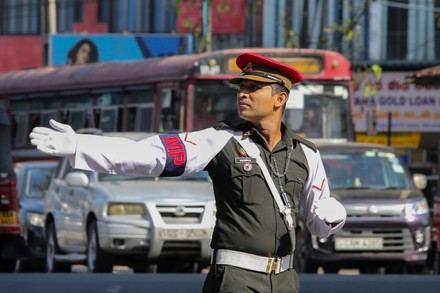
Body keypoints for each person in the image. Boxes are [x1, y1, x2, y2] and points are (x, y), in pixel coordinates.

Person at [29, 53, 346, 293]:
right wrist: (79, 146)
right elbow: (152, 154)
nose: (242, 93)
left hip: (287, 280)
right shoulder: (220, 140)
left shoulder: (306, 153)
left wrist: (333, 216)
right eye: (241, 87)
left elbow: (320, 225)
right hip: (236, 279)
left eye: (254, 88)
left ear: (280, 98)